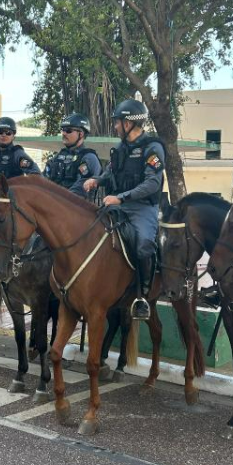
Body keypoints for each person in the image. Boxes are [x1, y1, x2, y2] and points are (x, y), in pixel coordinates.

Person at [83, 99, 164, 319]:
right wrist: (97, 180)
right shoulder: (121, 149)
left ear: (129, 123)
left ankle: (142, 297)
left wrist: (121, 197)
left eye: (118, 122)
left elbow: (152, 184)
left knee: (143, 245)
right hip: (118, 205)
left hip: (142, 208)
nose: (116, 126)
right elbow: (111, 173)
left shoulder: (152, 148)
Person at [43, 113, 102, 197]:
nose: (64, 133)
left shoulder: (89, 158)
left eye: (68, 130)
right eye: (63, 130)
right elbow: (43, 180)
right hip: (53, 204)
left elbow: (80, 190)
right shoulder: (58, 157)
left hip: (76, 208)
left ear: (81, 134)